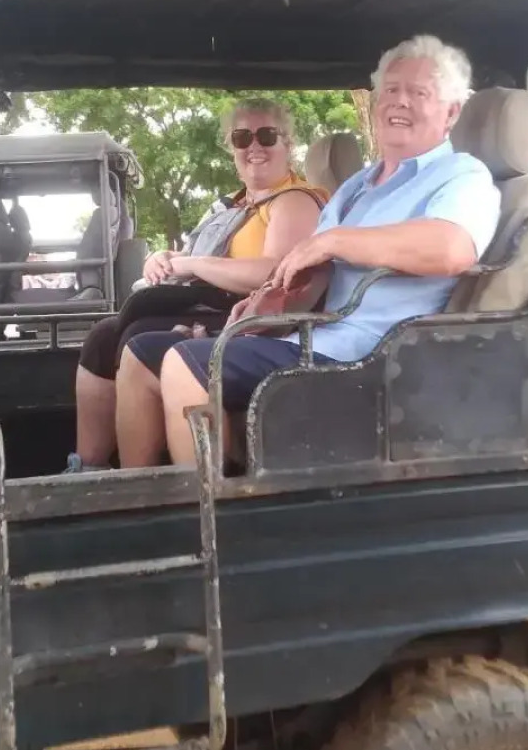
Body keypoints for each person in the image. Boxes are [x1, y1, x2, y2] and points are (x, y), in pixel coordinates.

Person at [115, 34, 500, 468]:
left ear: (451, 112)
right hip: (316, 334)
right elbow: (314, 271)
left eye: (419, 92)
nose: (400, 101)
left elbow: (452, 249)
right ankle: (135, 495)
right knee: (141, 354)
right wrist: (261, 310)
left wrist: (334, 241)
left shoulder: (463, 175)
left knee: (185, 367)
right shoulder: (358, 186)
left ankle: (211, 508)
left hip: (372, 354)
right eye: (391, 90)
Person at [63, 99, 327, 473]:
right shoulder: (232, 205)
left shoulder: (295, 201)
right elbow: (191, 256)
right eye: (242, 138)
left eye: (267, 136)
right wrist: (164, 259)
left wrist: (191, 264)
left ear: (288, 143)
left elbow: (273, 272)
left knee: (137, 337)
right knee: (103, 337)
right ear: (232, 147)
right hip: (209, 303)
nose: (254, 146)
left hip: (251, 317)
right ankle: (87, 468)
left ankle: (138, 479)